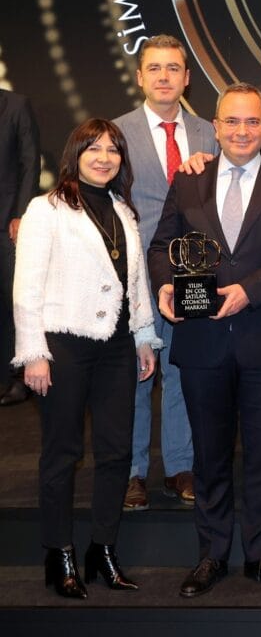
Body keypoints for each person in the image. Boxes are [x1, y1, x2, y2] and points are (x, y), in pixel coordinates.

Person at [149, 83, 261, 598]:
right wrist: (165, 284)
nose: (242, 131)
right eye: (232, 122)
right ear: (215, 128)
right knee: (210, 455)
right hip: (202, 340)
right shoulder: (188, 179)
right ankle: (212, 554)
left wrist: (249, 290)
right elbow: (162, 246)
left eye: (252, 122)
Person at [13, 118, 160, 598]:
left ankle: (103, 550)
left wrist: (144, 336)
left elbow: (135, 283)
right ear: (74, 154)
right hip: (63, 346)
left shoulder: (123, 210)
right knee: (63, 453)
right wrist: (34, 353)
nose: (104, 157)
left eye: (113, 149)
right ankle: (59, 554)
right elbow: (26, 287)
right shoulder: (45, 209)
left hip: (117, 347)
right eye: (93, 148)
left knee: (117, 452)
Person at [114, 35, 217, 512]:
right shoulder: (115, 133)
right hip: (132, 276)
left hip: (193, 275)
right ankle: (132, 473)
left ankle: (180, 467)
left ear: (187, 77)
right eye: (154, 68)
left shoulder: (210, 133)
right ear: (140, 77)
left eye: (173, 68)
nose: (163, 76)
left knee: (182, 372)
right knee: (134, 376)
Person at [0, 88, 40, 406]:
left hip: (7, 223)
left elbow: (30, 161)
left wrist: (22, 214)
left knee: (13, 300)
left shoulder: (15, 105)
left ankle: (18, 377)